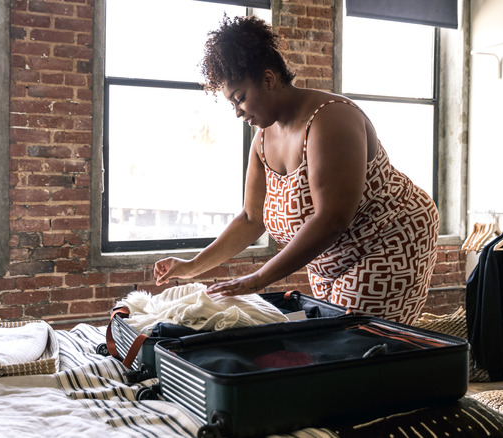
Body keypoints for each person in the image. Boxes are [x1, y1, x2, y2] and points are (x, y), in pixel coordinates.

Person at [154, 15, 439, 325]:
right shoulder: (263, 139)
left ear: (268, 79)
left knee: (357, 347)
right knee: (332, 345)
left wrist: (257, 279)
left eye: (240, 98)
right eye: (231, 103)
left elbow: (332, 219)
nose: (237, 112)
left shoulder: (331, 120)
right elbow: (251, 218)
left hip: (388, 238)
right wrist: (191, 265)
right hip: (329, 258)